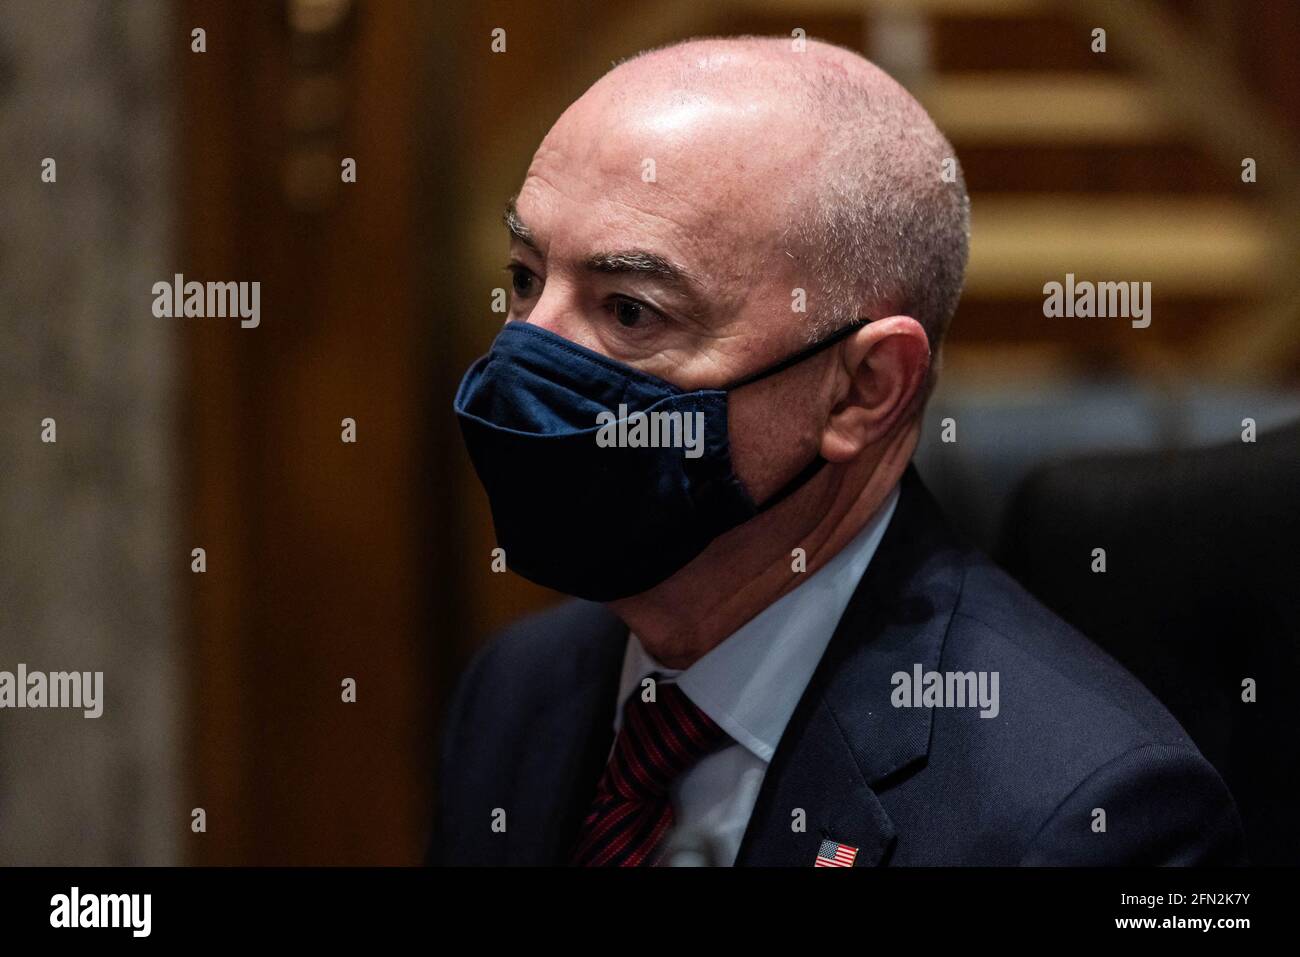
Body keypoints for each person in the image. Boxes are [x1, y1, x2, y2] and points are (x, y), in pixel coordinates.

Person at [430, 35, 1245, 866]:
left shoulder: (1093, 821)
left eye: (631, 311)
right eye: (526, 277)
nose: (526, 356)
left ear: (863, 388)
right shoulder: (516, 692)